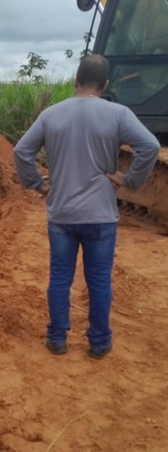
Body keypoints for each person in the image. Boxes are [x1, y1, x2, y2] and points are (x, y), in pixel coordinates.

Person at [13, 54, 160, 359]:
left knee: (60, 278)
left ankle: (56, 339)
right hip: (100, 216)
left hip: (61, 215)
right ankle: (99, 342)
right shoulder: (118, 114)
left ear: (75, 80)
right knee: (99, 281)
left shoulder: (51, 115)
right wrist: (129, 180)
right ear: (105, 84)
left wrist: (37, 184)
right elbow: (151, 147)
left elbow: (21, 151)